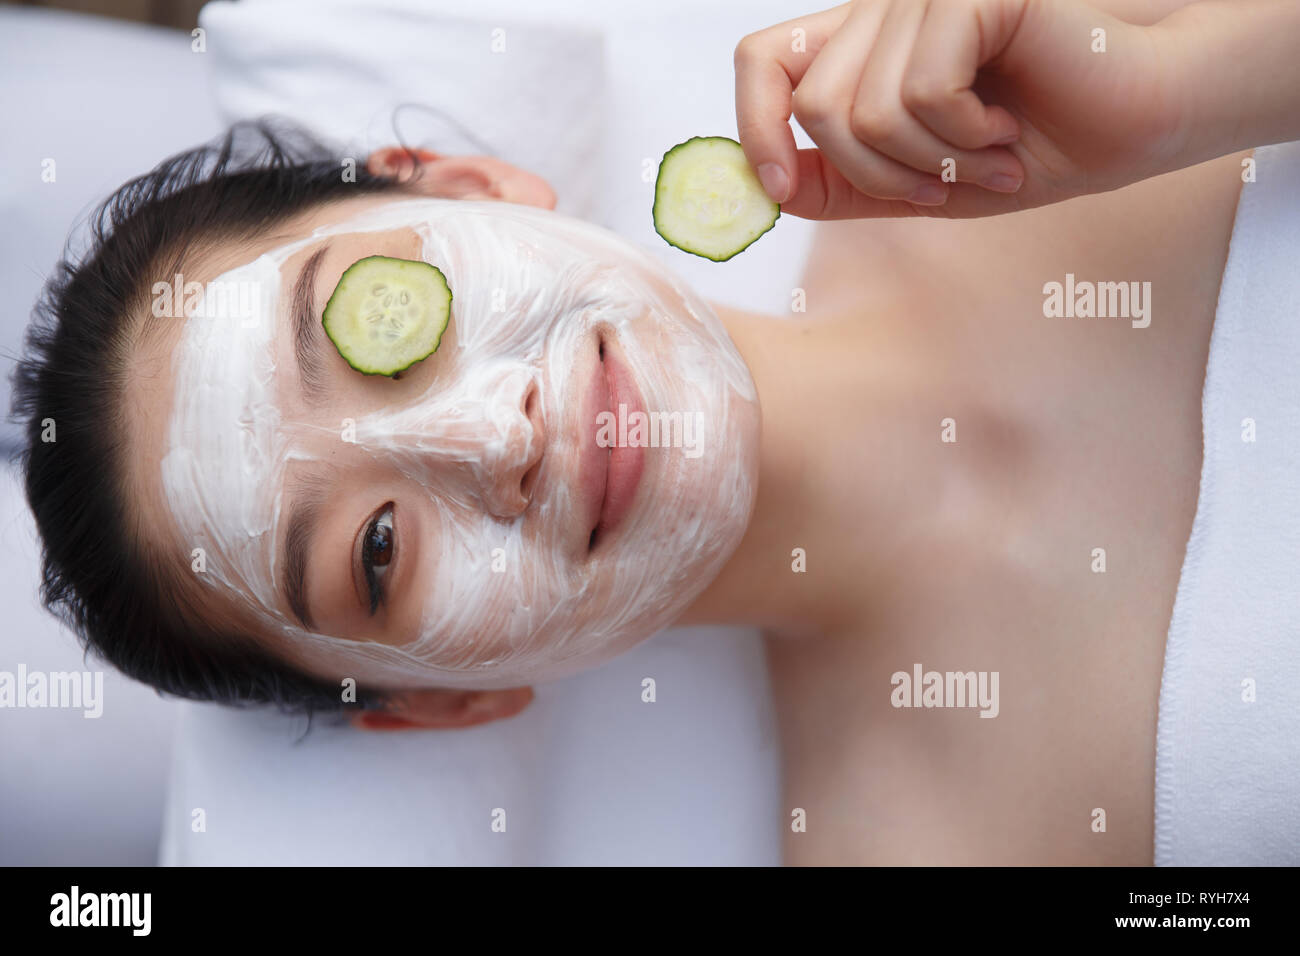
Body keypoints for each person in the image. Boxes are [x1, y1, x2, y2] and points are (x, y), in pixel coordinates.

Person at [10, 0, 1298, 864]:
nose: (488, 439)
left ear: (463, 186)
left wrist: (1196, 90)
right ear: (441, 706)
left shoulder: (1022, 40)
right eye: (381, 549)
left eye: (382, 327)